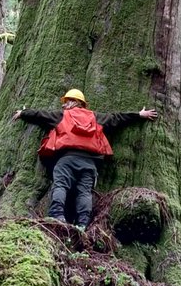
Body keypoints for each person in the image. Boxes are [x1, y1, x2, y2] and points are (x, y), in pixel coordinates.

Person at [13, 89, 158, 229]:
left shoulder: (62, 115)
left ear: (76, 103)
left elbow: (40, 115)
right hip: (89, 163)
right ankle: (82, 224)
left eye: (67, 101)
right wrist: (139, 114)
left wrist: (23, 113)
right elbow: (117, 118)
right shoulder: (96, 117)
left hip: (67, 159)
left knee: (60, 185)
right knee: (84, 192)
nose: (64, 105)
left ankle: (56, 216)